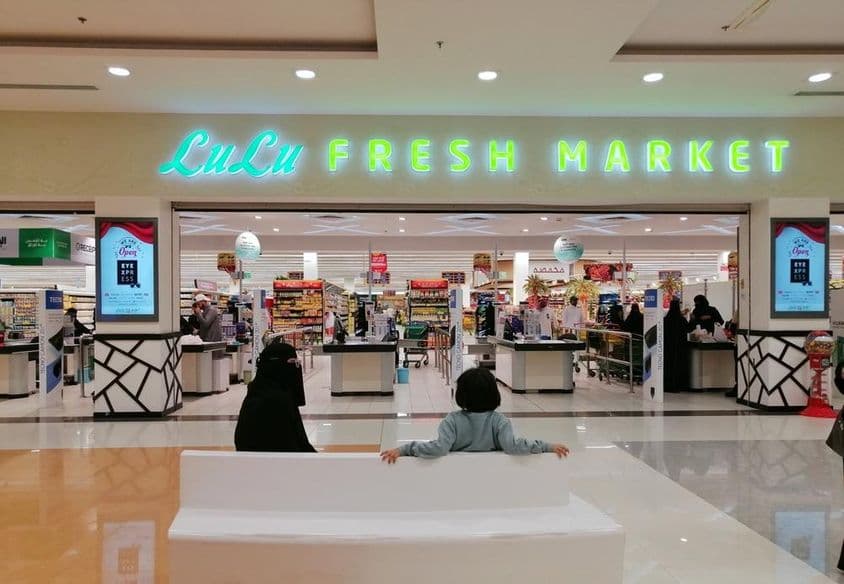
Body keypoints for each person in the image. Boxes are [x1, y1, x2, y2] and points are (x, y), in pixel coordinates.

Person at [380, 367, 569, 462]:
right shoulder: (499, 421)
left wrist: (405, 450)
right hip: (490, 483)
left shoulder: (452, 421)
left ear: (462, 395)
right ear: (493, 394)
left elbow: (438, 448)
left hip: (457, 482)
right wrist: (546, 447)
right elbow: (513, 446)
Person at [234, 342, 314, 452]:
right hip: (276, 465)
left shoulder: (256, 394)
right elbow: (295, 447)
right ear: (277, 365)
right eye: (292, 362)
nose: (296, 367)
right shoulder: (278, 402)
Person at [663, 299, 690, 392]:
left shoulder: (666, 319)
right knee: (678, 364)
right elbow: (689, 329)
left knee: (668, 365)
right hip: (680, 346)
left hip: (667, 346)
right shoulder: (682, 320)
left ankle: (668, 383)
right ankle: (678, 384)